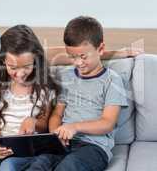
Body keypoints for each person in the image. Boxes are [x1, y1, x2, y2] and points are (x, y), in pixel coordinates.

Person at [24, 16, 129, 171]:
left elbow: (108, 123)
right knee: (39, 165)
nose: (78, 62)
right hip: (64, 142)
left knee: (68, 167)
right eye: (72, 57)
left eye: (83, 56)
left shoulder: (112, 80)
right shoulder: (66, 77)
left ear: (100, 49)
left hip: (93, 148)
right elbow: (57, 115)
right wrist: (55, 134)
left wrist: (75, 127)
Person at [0, 25, 62, 171]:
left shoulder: (44, 84)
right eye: (13, 68)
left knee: (8, 167)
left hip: (27, 144)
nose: (20, 74)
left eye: (26, 67)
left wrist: (33, 121)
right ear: (3, 60)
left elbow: (44, 124)